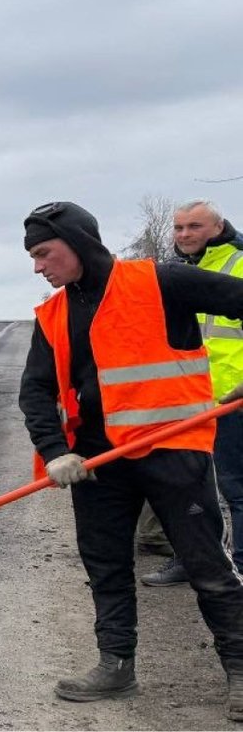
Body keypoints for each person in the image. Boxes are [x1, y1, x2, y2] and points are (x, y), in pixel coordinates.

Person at [18, 201, 243, 720]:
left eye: (44, 253)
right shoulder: (53, 314)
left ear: (77, 241)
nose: (37, 267)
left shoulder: (162, 282)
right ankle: (116, 666)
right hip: (99, 461)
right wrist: (57, 453)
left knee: (208, 565)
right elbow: (35, 391)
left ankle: (240, 667)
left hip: (173, 452)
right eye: (32, 257)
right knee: (106, 567)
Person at [141, 199, 243, 586]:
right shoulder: (183, 270)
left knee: (235, 489)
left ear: (217, 228)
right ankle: (193, 560)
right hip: (190, 400)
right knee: (190, 487)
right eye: (179, 228)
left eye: (194, 227)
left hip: (231, 398)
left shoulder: (237, 262)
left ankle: (237, 569)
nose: (185, 235)